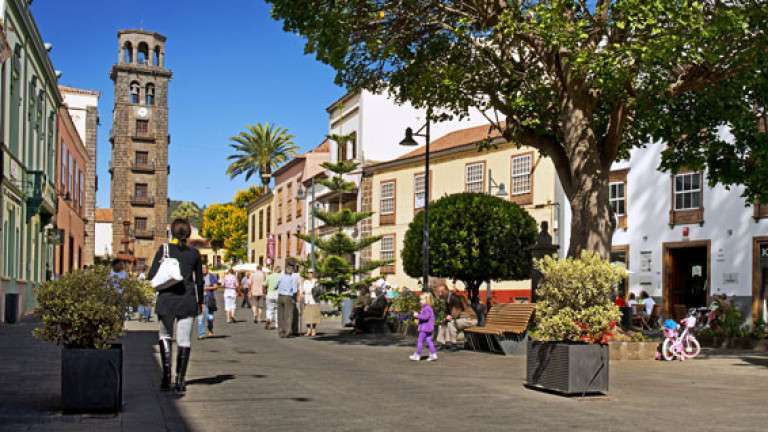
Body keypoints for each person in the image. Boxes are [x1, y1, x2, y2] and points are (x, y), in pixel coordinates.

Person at [148, 218, 204, 393]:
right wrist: (200, 302)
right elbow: (199, 281)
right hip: (187, 300)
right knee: (184, 340)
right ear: (189, 234)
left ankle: (166, 378)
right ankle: (180, 380)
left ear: (171, 232)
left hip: (166, 300)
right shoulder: (194, 254)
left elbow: (151, 275)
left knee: (165, 336)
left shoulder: (164, 250)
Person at [410, 293, 438, 362]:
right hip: (428, 328)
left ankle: (417, 355)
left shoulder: (427, 308)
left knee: (420, 341)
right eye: (420, 299)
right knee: (429, 341)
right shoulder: (427, 308)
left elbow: (425, 317)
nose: (420, 301)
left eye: (422, 299)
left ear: (427, 300)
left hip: (424, 328)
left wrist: (417, 315)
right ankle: (433, 354)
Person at [276, 265, 298, 338]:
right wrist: (294, 299)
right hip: (288, 296)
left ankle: (281, 331)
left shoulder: (281, 277)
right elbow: (294, 290)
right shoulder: (292, 278)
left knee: (280, 315)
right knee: (288, 315)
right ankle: (287, 332)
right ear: (291, 271)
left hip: (280, 296)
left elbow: (276, 286)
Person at [197, 265, 218, 338]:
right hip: (200, 298)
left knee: (210, 316)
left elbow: (216, 286)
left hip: (209, 298)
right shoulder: (198, 276)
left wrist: (207, 288)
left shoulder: (211, 276)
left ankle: (210, 329)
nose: (203, 270)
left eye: (204, 268)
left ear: (207, 269)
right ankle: (201, 333)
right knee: (200, 316)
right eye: (202, 268)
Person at [300, 270, 320, 336]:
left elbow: (317, 290)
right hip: (307, 300)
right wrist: (301, 284)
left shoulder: (316, 281)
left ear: (313, 274)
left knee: (314, 316)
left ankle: (313, 329)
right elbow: (303, 290)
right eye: (308, 273)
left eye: (311, 273)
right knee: (307, 316)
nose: (310, 274)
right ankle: (308, 329)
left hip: (314, 300)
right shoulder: (305, 281)